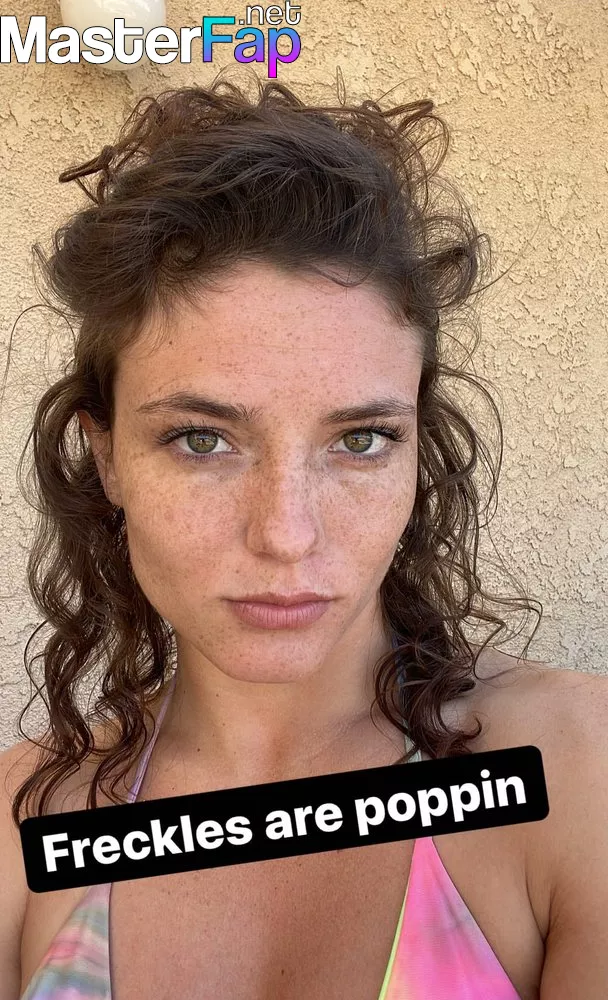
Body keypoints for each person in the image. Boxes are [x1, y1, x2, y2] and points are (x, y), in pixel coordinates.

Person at [0, 74, 606, 1000]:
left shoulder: (579, 771)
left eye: (359, 441)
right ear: (107, 456)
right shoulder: (25, 827)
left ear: (418, 448)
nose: (286, 534)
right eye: (201, 440)